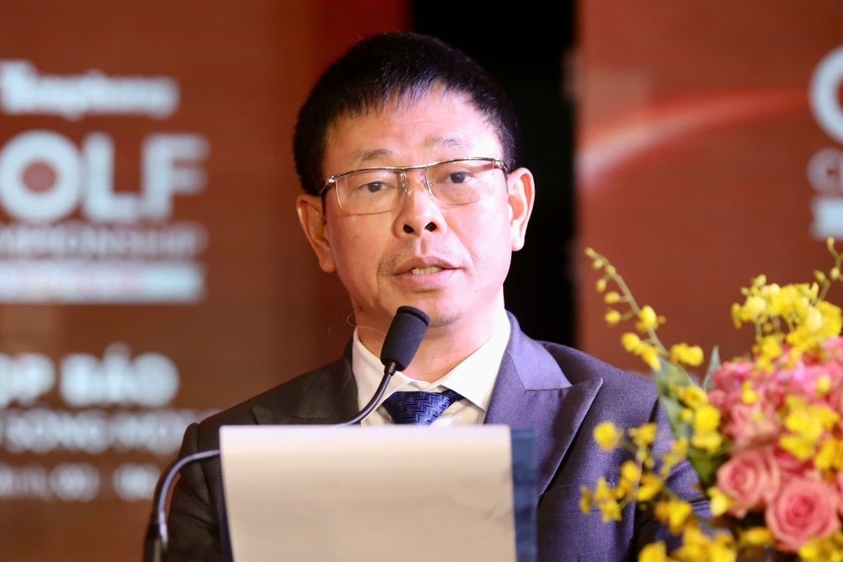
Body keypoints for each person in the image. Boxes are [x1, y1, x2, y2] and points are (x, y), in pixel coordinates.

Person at [163, 31, 708, 562]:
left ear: (516, 209)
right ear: (320, 231)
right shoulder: (223, 461)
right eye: (375, 184)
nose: (419, 216)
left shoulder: (646, 426)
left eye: (456, 177)